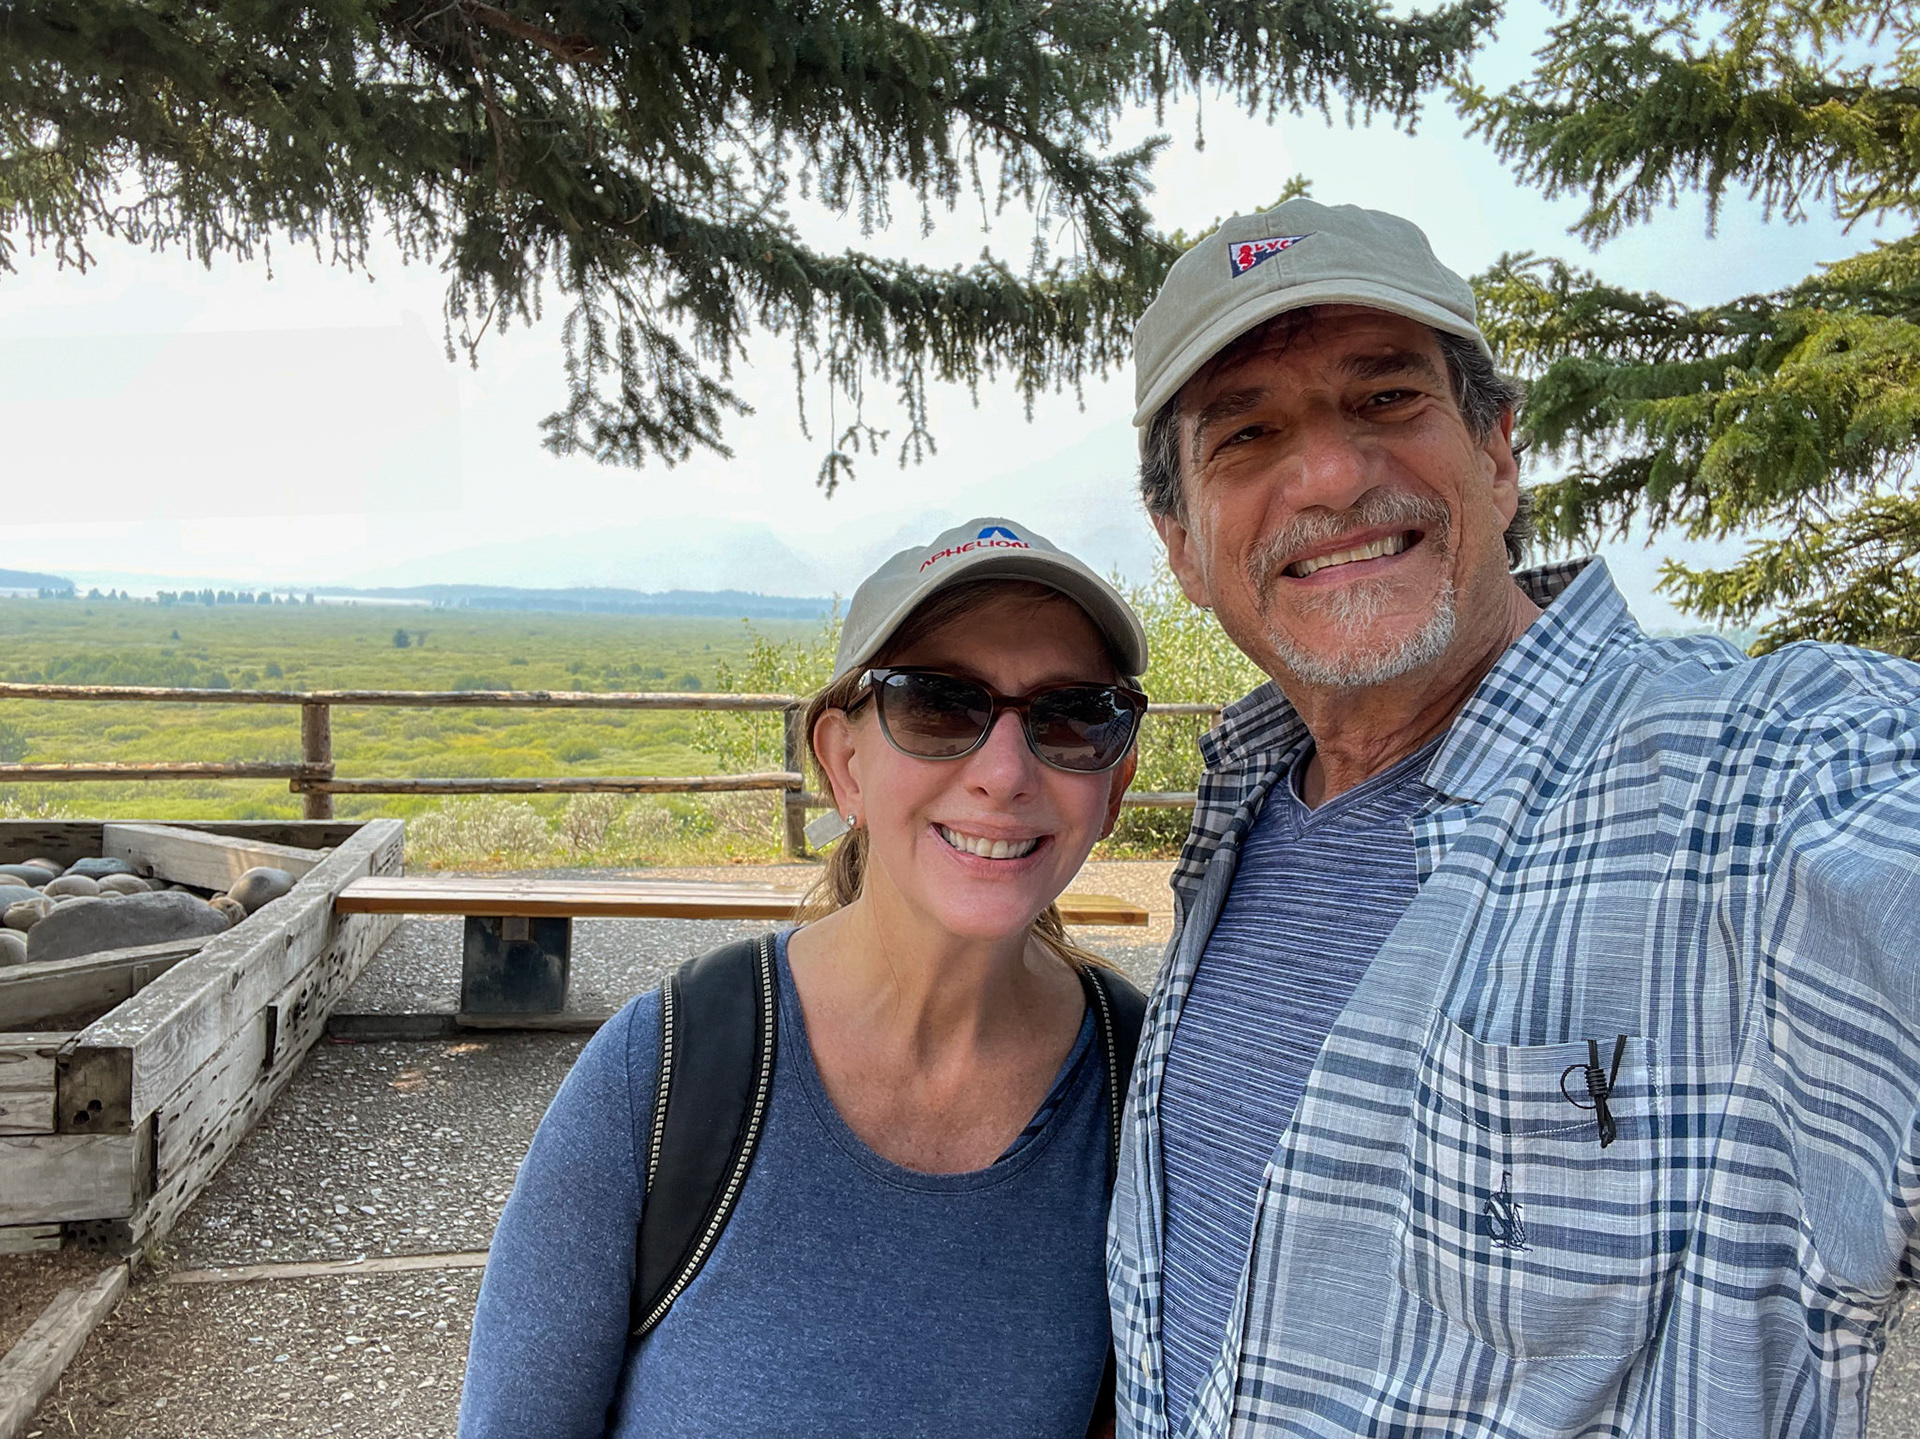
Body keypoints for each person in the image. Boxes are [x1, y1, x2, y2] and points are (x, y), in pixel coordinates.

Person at [1108, 196, 1920, 1438]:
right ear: (1182, 544)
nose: (1330, 473)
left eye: (1388, 398)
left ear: (1497, 455)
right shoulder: (1244, 819)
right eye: (1249, 433)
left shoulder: (1753, 777)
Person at [460, 518, 1152, 1437]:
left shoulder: (1147, 1089)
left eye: (1071, 715)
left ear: (1116, 781)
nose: (1004, 771)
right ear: (843, 763)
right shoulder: (666, 1076)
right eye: (938, 704)